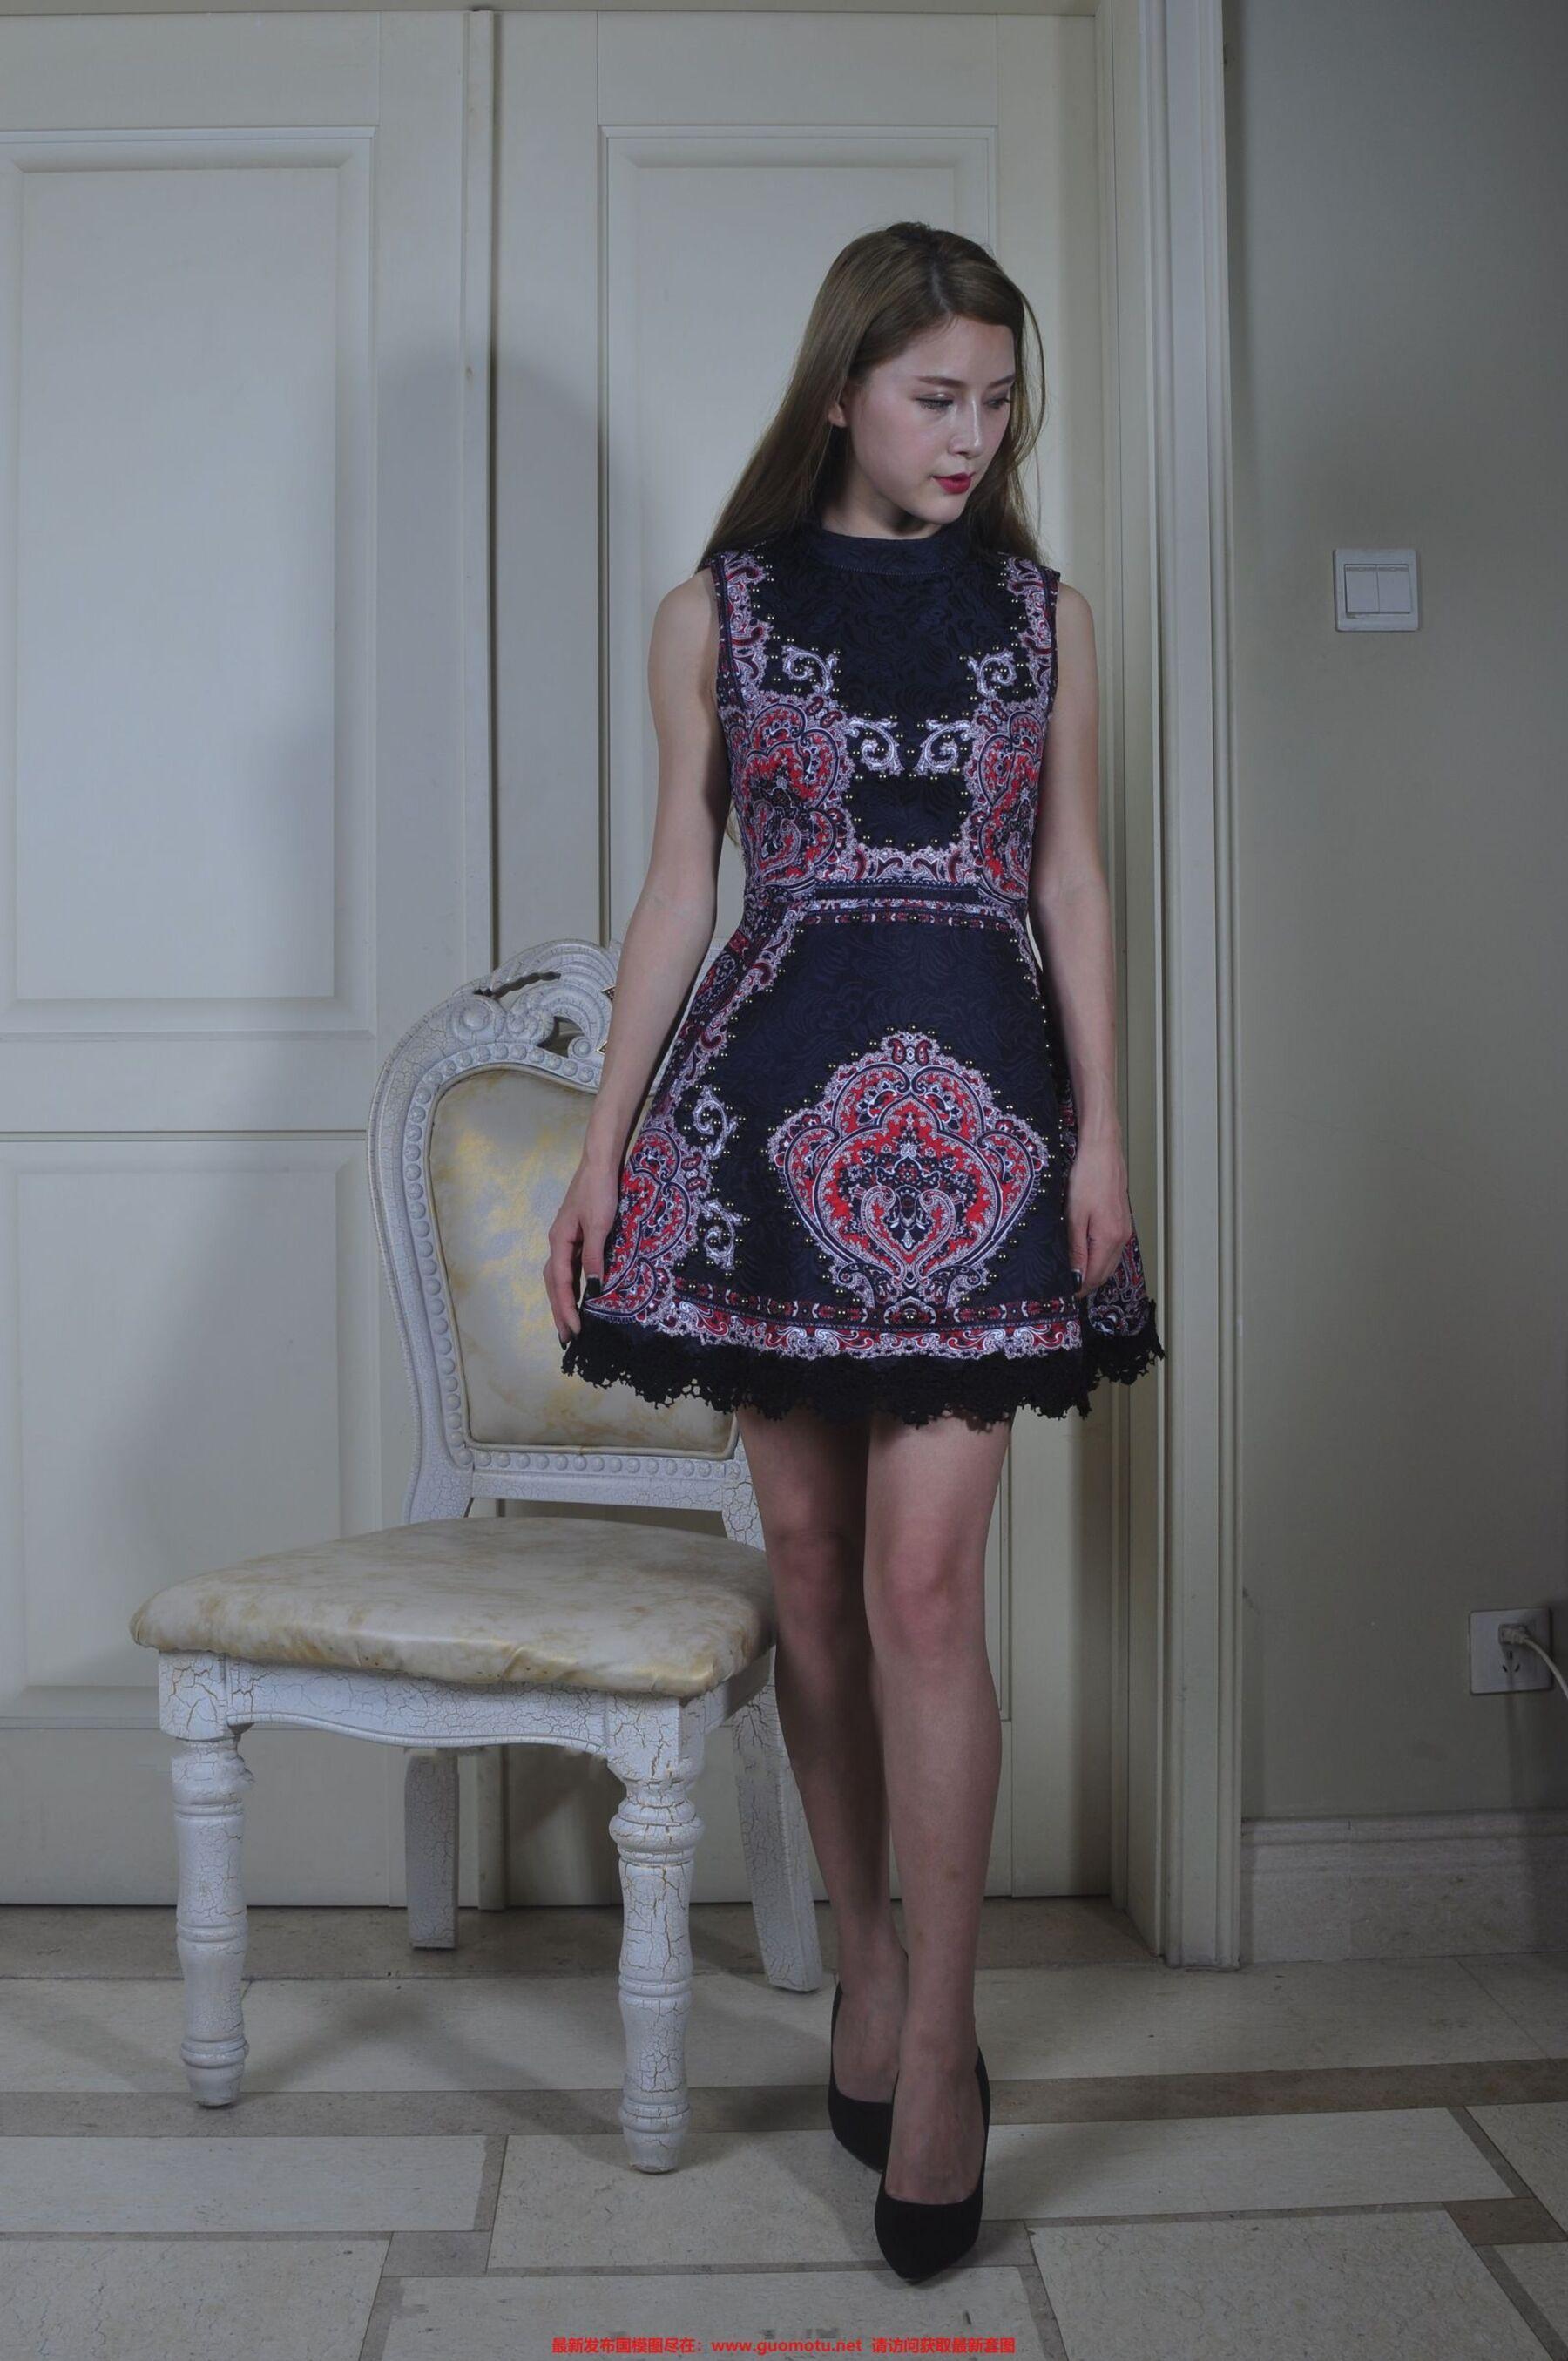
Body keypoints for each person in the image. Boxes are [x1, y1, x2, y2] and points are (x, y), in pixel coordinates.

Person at [544, 220, 1163, 2280]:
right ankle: (868, 1958)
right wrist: (604, 1151)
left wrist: (1105, 1132)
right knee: (808, 1566)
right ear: (841, 393)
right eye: (935, 396)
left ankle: (947, 2043)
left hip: (982, 1132)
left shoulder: (1045, 619)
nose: (974, 434)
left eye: (999, 400)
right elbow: (675, 893)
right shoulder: (715, 610)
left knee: (922, 1581)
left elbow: (1072, 884)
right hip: (767, 1122)